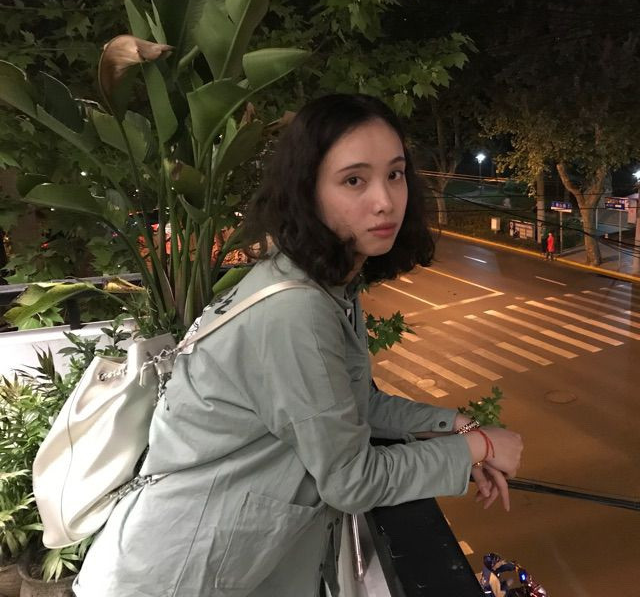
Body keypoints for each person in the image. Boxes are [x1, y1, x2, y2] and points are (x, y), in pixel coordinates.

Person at [74, 94, 522, 597]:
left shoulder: (322, 281)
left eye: (395, 174)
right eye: (354, 180)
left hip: (209, 562)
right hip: (175, 575)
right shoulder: (295, 310)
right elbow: (352, 481)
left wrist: (455, 425)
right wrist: (480, 448)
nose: (385, 200)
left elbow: (351, 404)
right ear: (307, 191)